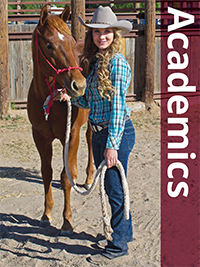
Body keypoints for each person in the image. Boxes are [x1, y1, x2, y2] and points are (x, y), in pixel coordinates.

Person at [71, 5, 135, 264]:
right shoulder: (96, 62)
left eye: (106, 32)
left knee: (115, 189)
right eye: (97, 32)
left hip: (115, 133)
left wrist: (112, 145)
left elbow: (118, 108)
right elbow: (88, 101)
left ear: (114, 34)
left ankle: (118, 245)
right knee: (116, 188)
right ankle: (125, 234)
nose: (101, 37)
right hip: (98, 133)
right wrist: (72, 96)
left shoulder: (117, 64)